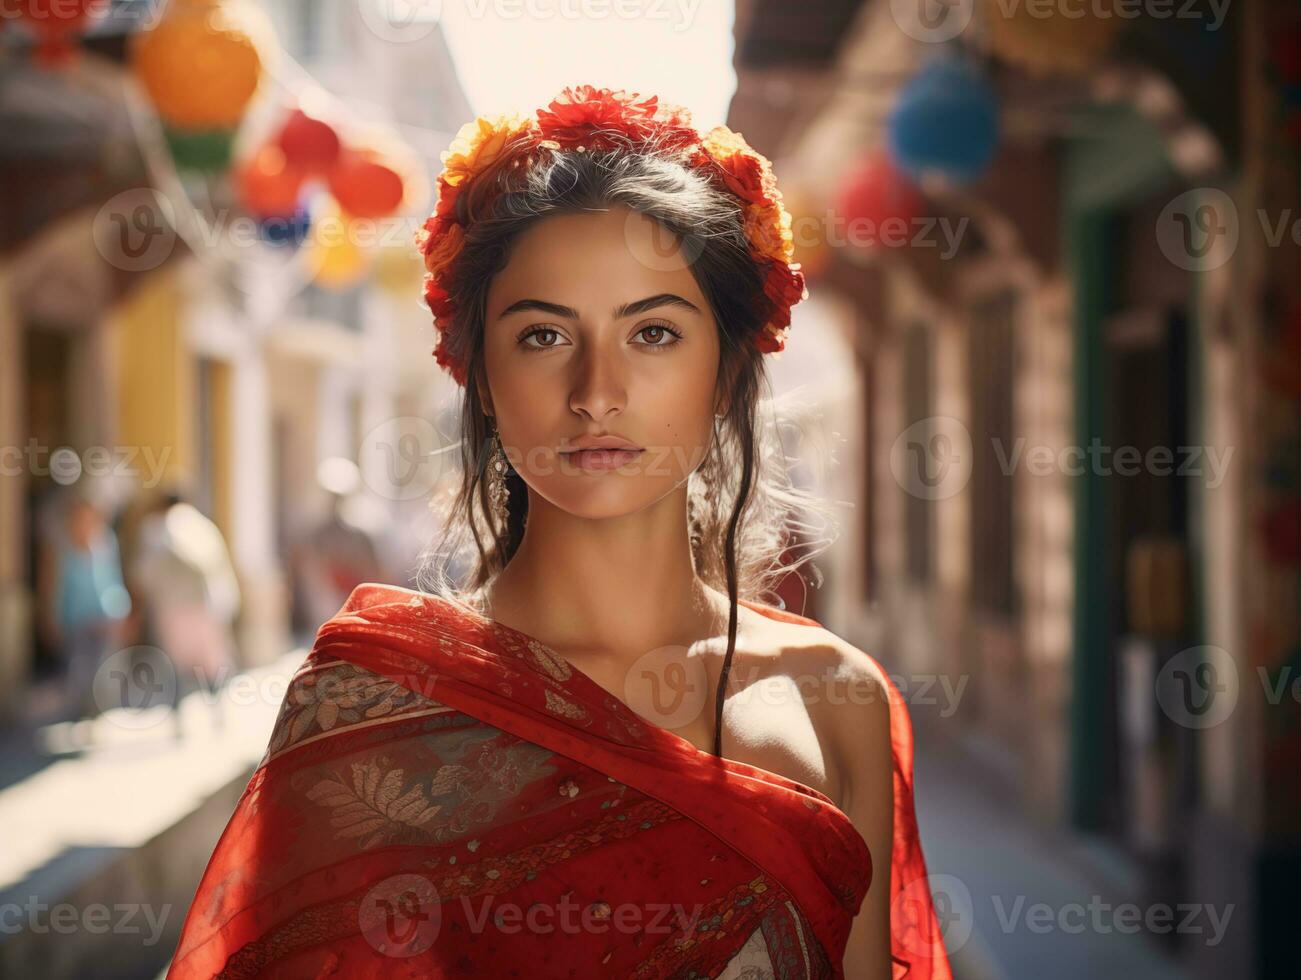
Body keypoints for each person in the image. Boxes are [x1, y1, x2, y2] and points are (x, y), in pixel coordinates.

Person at [167, 85, 952, 979]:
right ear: (480, 375)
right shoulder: (374, 709)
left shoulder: (836, 701)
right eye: (542, 336)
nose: (595, 392)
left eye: (652, 333)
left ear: (729, 373)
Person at [37, 487, 132, 719]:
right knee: (77, 672)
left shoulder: (106, 542)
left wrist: (122, 612)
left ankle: (94, 716)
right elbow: (53, 587)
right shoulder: (61, 547)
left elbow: (113, 579)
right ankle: (78, 715)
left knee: (103, 671)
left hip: (104, 616)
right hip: (75, 621)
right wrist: (51, 619)